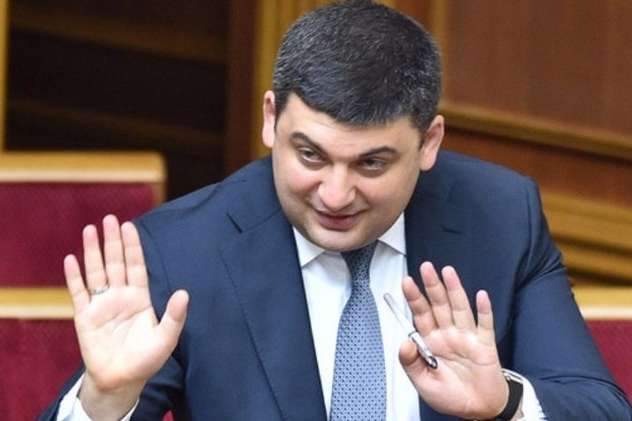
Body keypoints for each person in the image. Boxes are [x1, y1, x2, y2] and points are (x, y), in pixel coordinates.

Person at [43, 1, 631, 420]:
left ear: (428, 143)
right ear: (271, 119)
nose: (335, 194)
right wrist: (106, 400)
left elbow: (601, 407)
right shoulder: (181, 252)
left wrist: (505, 402)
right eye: (311, 155)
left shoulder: (501, 217)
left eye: (371, 163)